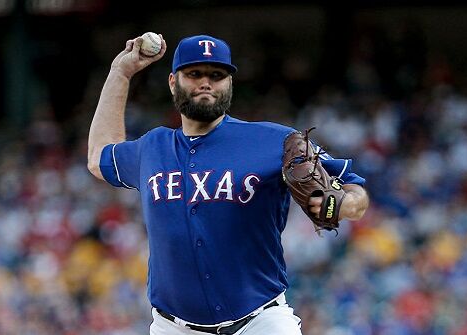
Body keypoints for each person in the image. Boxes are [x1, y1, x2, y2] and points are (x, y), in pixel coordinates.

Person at [87, 33, 369, 335]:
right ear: (173, 82)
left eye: (217, 75)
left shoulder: (276, 140)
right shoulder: (151, 148)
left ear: (229, 84)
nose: (205, 82)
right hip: (174, 327)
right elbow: (98, 157)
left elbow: (355, 191)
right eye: (194, 74)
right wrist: (121, 72)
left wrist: (342, 204)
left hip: (261, 322)